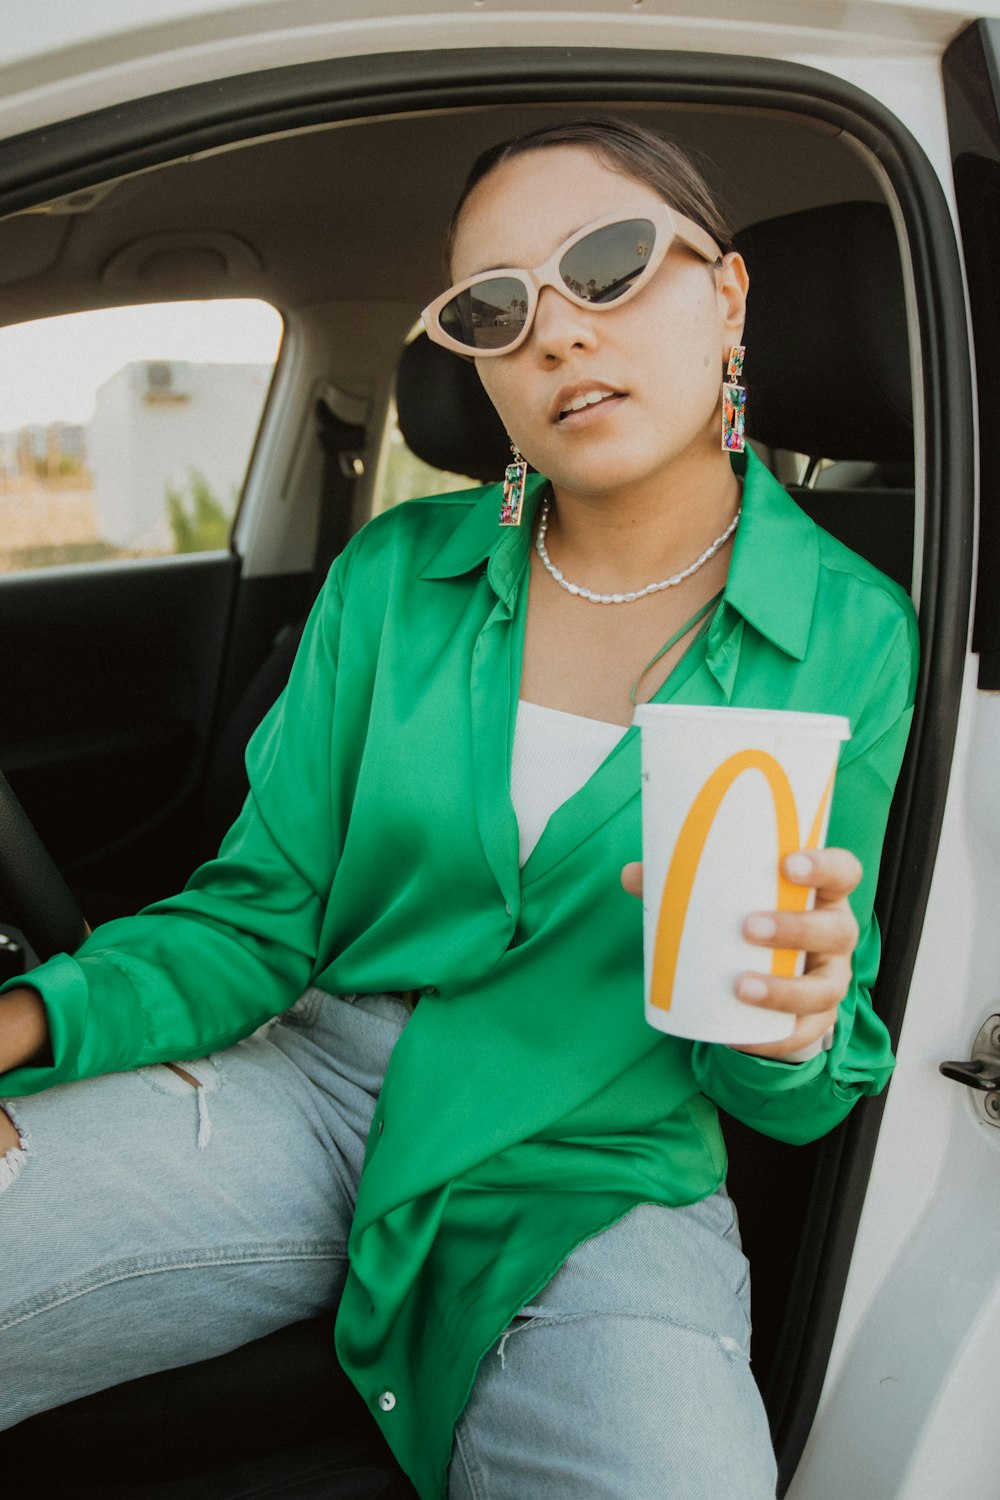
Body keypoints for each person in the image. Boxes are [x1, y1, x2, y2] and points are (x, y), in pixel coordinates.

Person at [0, 118, 917, 1499]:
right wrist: (25, 1021)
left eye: (608, 267)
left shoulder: (856, 637)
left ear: (725, 297)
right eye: (498, 306)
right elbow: (256, 926)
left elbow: (779, 1094)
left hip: (602, 1165)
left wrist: (791, 1027)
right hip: (307, 1087)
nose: (556, 333)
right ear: (478, 362)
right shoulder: (393, 576)